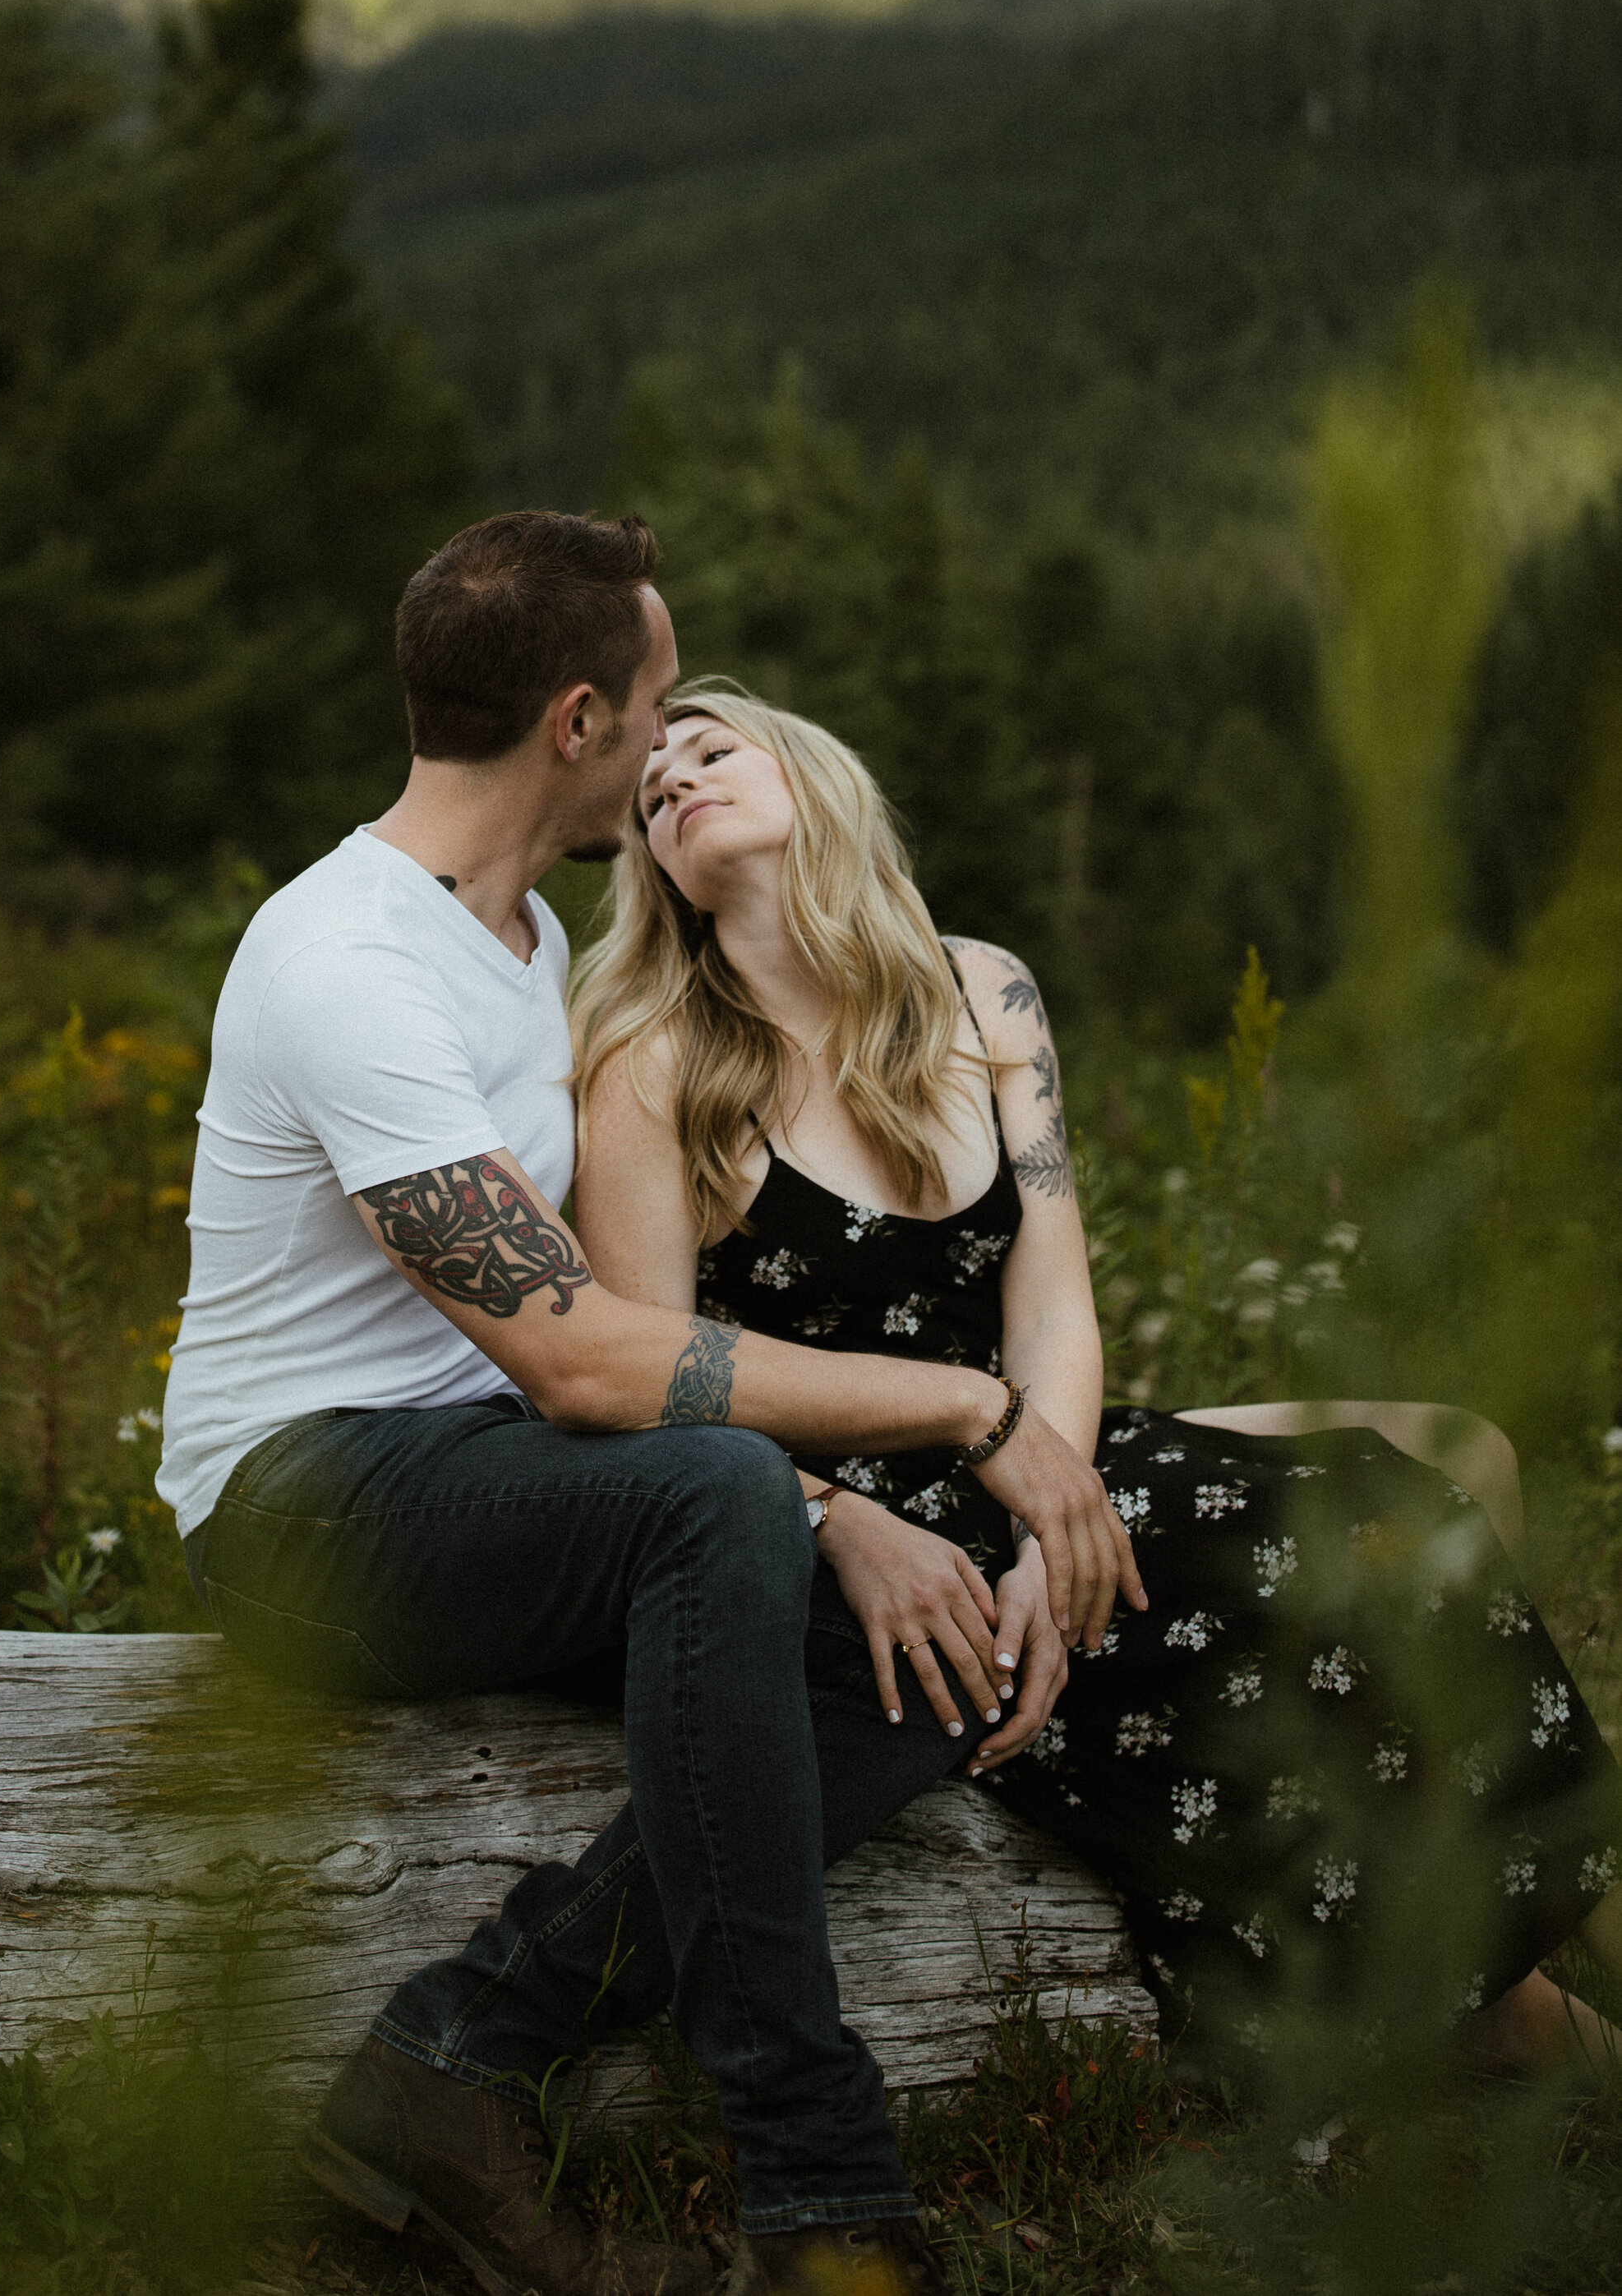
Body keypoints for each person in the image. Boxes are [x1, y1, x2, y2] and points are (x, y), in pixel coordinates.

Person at [159, 512, 1144, 2296]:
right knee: (718, 1494)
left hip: (507, 1480)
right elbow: (580, 1352)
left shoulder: (528, 946)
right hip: (302, 1509)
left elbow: (590, 1361)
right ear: (575, 722)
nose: (674, 721)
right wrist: (961, 1417)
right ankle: (819, 2185)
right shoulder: (342, 962)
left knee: (926, 1636)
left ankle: (457, 2053)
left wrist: (852, 1520)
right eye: (660, 695)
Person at [571, 679, 1622, 2085]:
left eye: (712, 747)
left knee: (1431, 1467)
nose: (676, 779)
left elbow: (1051, 1291)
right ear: (656, 873)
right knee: (1378, 1515)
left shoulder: (978, 986)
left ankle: (1537, 1928)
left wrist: (1052, 1504)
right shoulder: (657, 1061)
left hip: (1030, 1439)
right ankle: (1521, 2014)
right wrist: (879, 1521)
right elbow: (663, 1383)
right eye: (650, 791)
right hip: (845, 1513)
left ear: (815, 775)